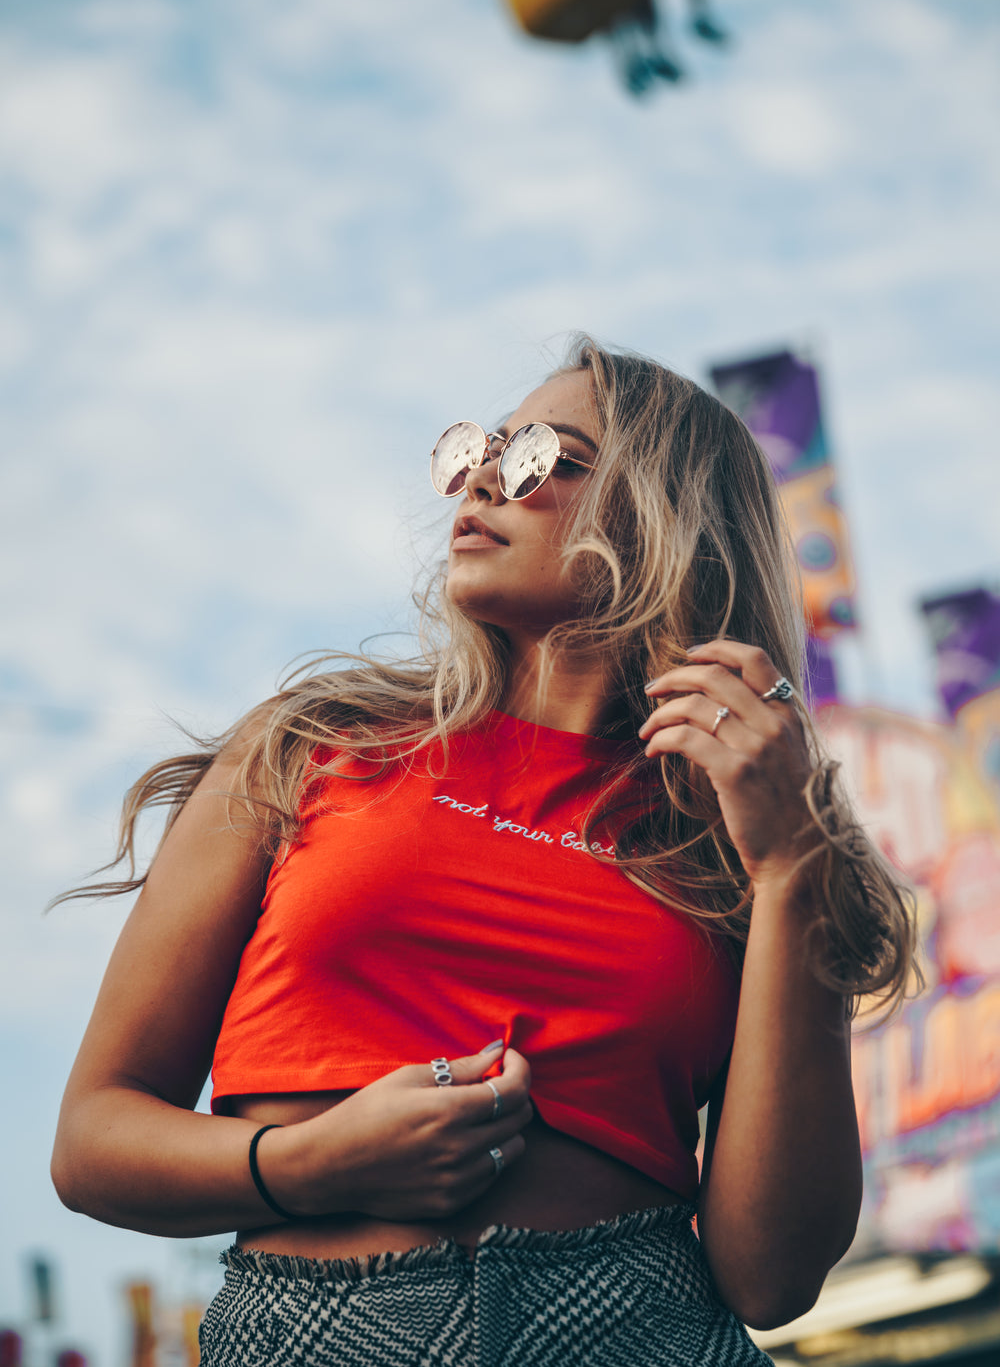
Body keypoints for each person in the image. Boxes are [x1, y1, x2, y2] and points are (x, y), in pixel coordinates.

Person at [52, 339, 915, 1366]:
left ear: (663, 513)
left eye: (540, 453)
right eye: (478, 450)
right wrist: (310, 1163)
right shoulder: (310, 744)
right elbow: (94, 1140)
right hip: (313, 1329)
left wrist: (790, 870)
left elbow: (771, 1276)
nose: (478, 479)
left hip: (642, 1332)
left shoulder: (746, 834)